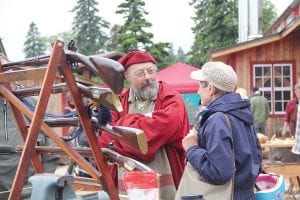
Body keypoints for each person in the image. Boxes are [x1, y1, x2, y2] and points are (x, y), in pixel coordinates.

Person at [98, 50, 190, 199]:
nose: (148, 77)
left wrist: (125, 127)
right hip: (128, 176)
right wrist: (145, 121)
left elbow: (166, 126)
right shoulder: (118, 101)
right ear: (127, 77)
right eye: (140, 74)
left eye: (151, 71)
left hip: (165, 175)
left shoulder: (171, 98)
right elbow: (107, 136)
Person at [181, 61, 262, 199]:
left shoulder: (217, 119)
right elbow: (257, 160)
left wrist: (192, 149)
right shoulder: (241, 111)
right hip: (246, 194)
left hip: (227, 195)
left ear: (211, 89)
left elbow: (219, 172)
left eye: (200, 85)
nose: (197, 91)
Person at [282, 82, 300, 162]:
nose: (299, 93)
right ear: (295, 92)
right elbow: (287, 117)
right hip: (294, 130)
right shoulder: (291, 103)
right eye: (298, 91)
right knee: (296, 155)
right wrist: (284, 129)